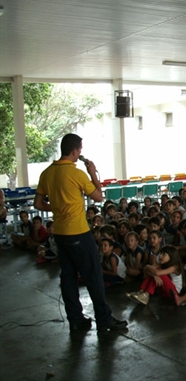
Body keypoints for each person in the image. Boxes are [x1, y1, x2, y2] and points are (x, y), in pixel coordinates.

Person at [34, 133, 127, 332]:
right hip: (78, 232)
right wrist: (92, 172)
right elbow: (99, 197)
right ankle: (104, 319)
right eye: (80, 150)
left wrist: (58, 208)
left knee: (68, 277)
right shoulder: (76, 174)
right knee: (93, 276)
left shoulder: (47, 173)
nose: (80, 154)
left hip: (59, 234)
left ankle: (75, 319)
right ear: (75, 150)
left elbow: (38, 203)